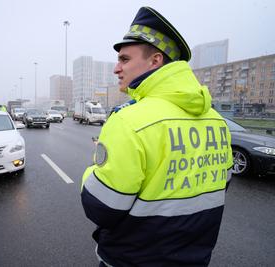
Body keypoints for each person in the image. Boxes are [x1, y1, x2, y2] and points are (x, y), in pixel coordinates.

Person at [80, 6, 233, 267]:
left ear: (155, 61)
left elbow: (102, 206)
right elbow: (220, 184)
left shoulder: (129, 121)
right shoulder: (217, 121)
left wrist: (91, 171)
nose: (116, 68)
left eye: (124, 59)